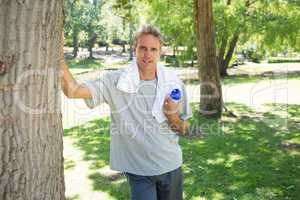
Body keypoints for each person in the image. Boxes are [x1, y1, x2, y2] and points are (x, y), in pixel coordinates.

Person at [60, 25, 192, 200]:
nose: (148, 54)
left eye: (153, 49)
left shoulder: (173, 83)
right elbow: (73, 91)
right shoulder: (116, 81)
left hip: (170, 167)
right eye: (143, 48)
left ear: (160, 52)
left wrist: (172, 116)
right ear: (134, 49)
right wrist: (58, 59)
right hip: (139, 171)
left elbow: (184, 129)